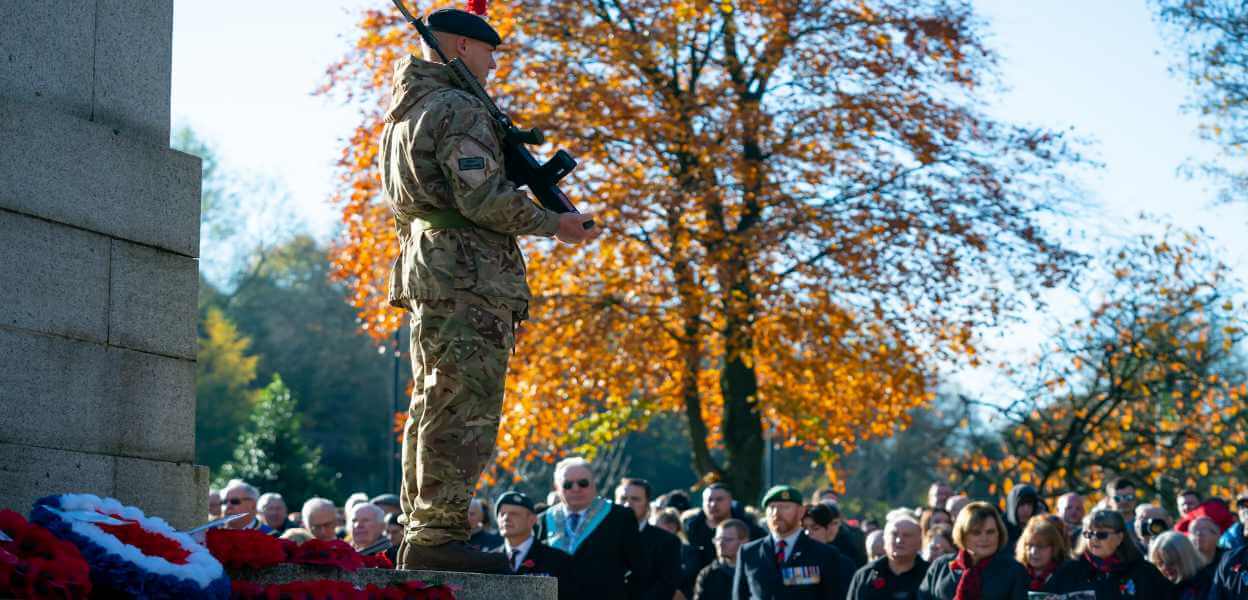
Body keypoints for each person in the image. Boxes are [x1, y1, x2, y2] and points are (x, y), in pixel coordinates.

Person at [381, 5, 600, 573]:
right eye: (487, 52)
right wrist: (556, 224)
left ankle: (422, 527)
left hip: (433, 271)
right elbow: (480, 198)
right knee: (464, 407)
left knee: (434, 402)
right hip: (468, 276)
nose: (493, 66)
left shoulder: (405, 112)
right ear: (457, 46)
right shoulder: (457, 106)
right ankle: (437, 533)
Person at [536, 457, 647, 600]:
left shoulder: (620, 517)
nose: (576, 489)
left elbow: (639, 568)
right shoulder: (543, 520)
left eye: (583, 483)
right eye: (567, 484)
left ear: (594, 484)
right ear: (557, 487)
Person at [733, 485, 855, 599]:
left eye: (785, 507)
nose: (776, 514)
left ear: (801, 512)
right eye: (771, 507)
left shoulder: (824, 554)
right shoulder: (749, 553)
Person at [1045, 509, 1171, 600]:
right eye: (1088, 534)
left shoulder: (1143, 571)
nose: (1093, 539)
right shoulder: (1068, 571)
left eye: (1101, 535)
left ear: (1119, 537)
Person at [917, 501, 1028, 600]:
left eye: (990, 532)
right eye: (976, 533)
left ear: (999, 533)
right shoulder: (941, 566)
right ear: (962, 535)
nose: (984, 539)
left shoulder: (1014, 571)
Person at [492, 491, 573, 598]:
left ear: (532, 520)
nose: (506, 518)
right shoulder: (489, 560)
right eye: (502, 514)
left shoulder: (558, 560)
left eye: (514, 514)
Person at [616, 478, 683, 599]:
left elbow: (666, 586)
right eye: (623, 499)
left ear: (647, 504)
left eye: (635, 499)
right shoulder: (600, 537)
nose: (627, 504)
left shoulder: (667, 542)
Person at [684, 483, 766, 574]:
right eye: (709, 500)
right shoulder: (692, 530)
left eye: (719, 499)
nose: (713, 504)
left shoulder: (749, 529)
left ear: (730, 501)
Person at [847, 517, 928, 600]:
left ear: (920, 542)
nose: (899, 540)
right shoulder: (865, 575)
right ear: (884, 540)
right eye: (894, 534)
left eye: (906, 535)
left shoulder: (930, 575)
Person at [653, 507, 703, 599]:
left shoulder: (691, 552)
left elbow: (688, 576)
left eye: (669, 528)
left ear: (675, 528)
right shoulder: (648, 551)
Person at [693, 519, 748, 600]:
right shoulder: (707, 574)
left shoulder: (755, 571)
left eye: (728, 539)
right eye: (718, 539)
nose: (720, 544)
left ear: (744, 542)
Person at [1147, 531, 1211, 600]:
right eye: (1160, 563)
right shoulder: (1158, 588)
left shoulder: (1207, 586)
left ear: (1186, 558)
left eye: (1170, 562)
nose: (1165, 568)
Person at [803, 503, 868, 568]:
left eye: (815, 528)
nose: (808, 533)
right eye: (804, 528)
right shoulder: (797, 556)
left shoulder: (850, 544)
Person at [1015, 515, 1069, 591]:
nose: (1033, 551)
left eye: (1041, 546)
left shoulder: (1068, 575)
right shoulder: (1014, 574)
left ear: (1054, 547)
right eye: (1029, 545)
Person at [1003, 484, 1042, 553]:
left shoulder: (1039, 529)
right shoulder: (1000, 531)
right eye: (1021, 504)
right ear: (1013, 506)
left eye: (1029, 505)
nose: (1026, 509)